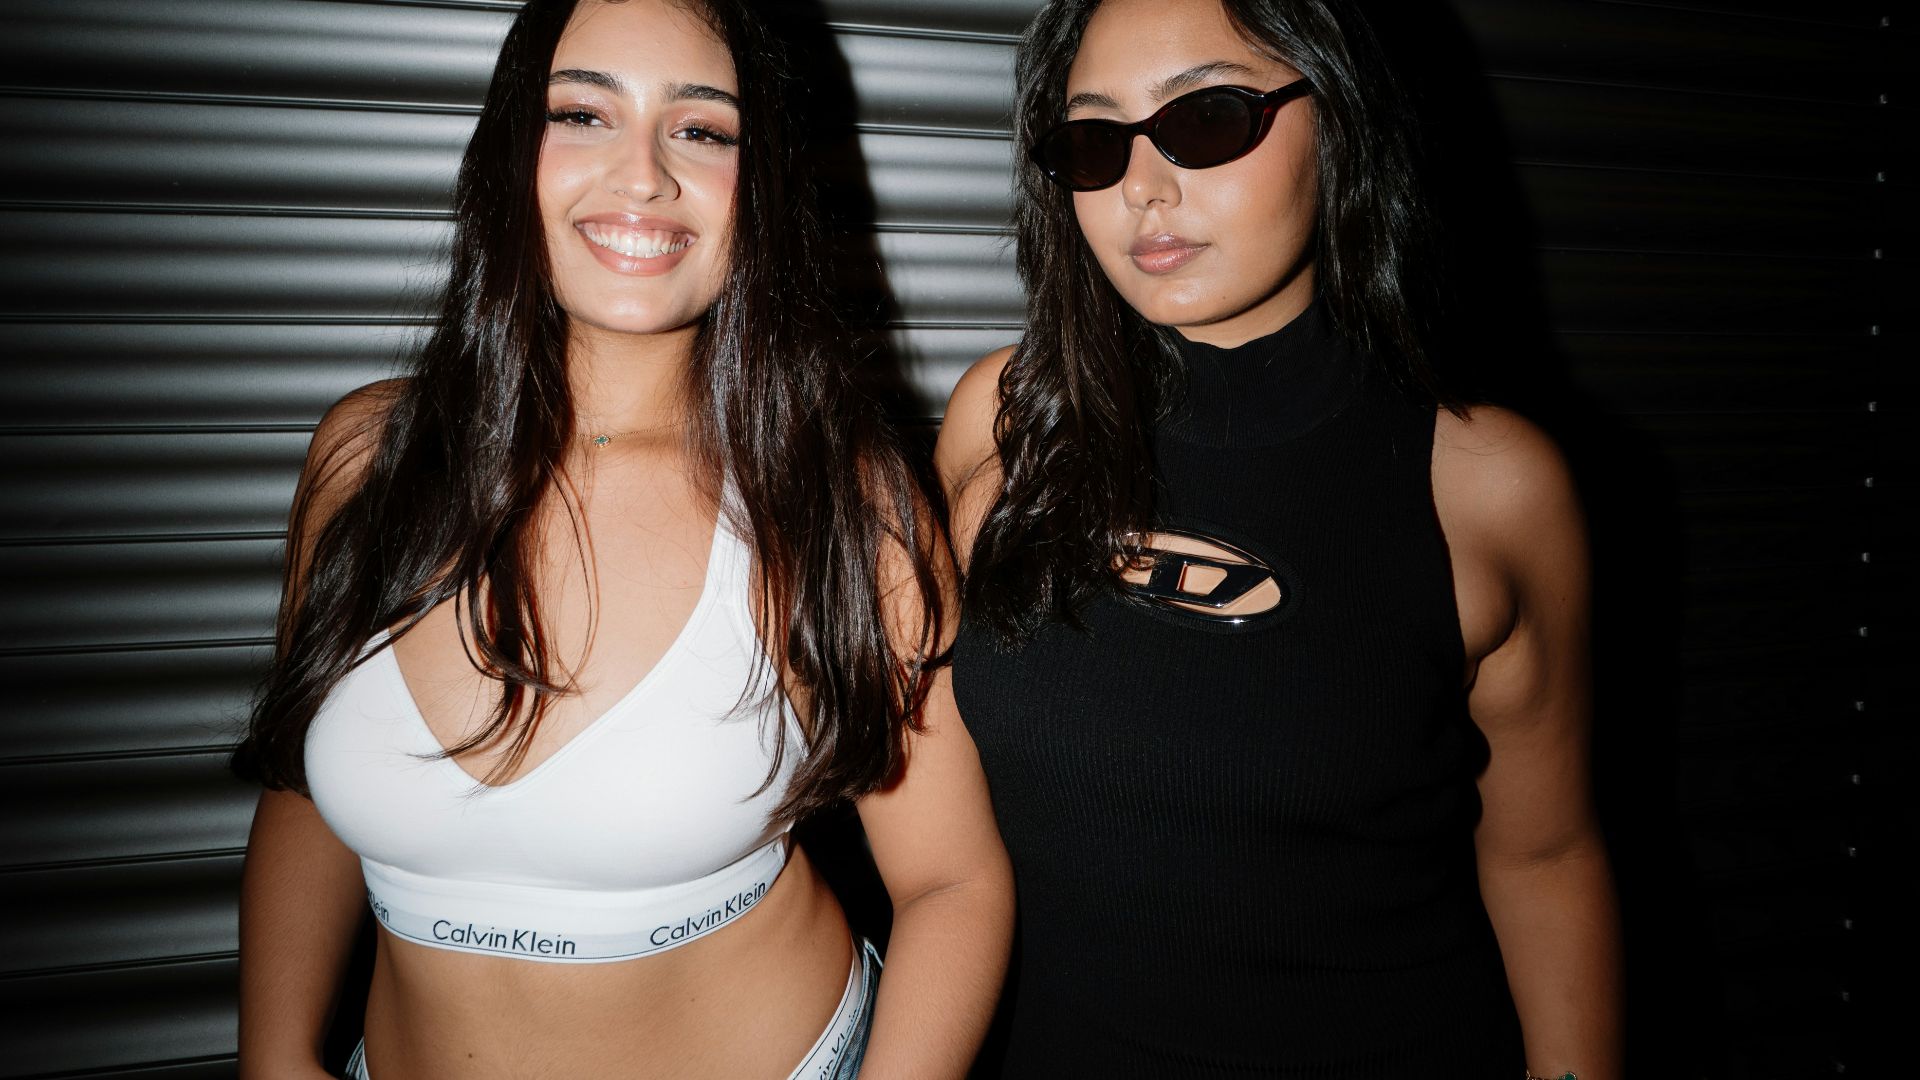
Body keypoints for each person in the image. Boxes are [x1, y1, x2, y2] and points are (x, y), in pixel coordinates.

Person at [233, 1, 1012, 1077]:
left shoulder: (840, 498)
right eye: (582, 114)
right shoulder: (368, 459)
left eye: (701, 129)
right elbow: (306, 788)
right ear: (512, 152)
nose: (641, 174)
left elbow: (953, 881)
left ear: (764, 187)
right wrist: (275, 1056)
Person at [936, 0, 1621, 1076]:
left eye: (1207, 118)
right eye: (1094, 139)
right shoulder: (1003, 423)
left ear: (1338, 119)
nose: (1144, 188)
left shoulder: (1489, 486)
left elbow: (1544, 852)